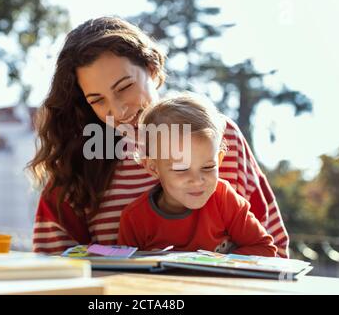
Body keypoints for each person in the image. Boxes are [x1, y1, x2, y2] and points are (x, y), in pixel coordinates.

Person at [28, 16, 289, 258]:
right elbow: (52, 262)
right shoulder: (81, 157)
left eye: (125, 87)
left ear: (151, 69)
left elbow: (272, 247)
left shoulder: (218, 133)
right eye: (97, 100)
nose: (118, 111)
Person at [117, 94, 277, 257]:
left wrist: (213, 264)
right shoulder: (135, 218)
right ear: (153, 167)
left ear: (220, 159)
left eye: (208, 167)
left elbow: (265, 249)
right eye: (181, 169)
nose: (197, 180)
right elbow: (122, 269)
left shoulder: (224, 199)